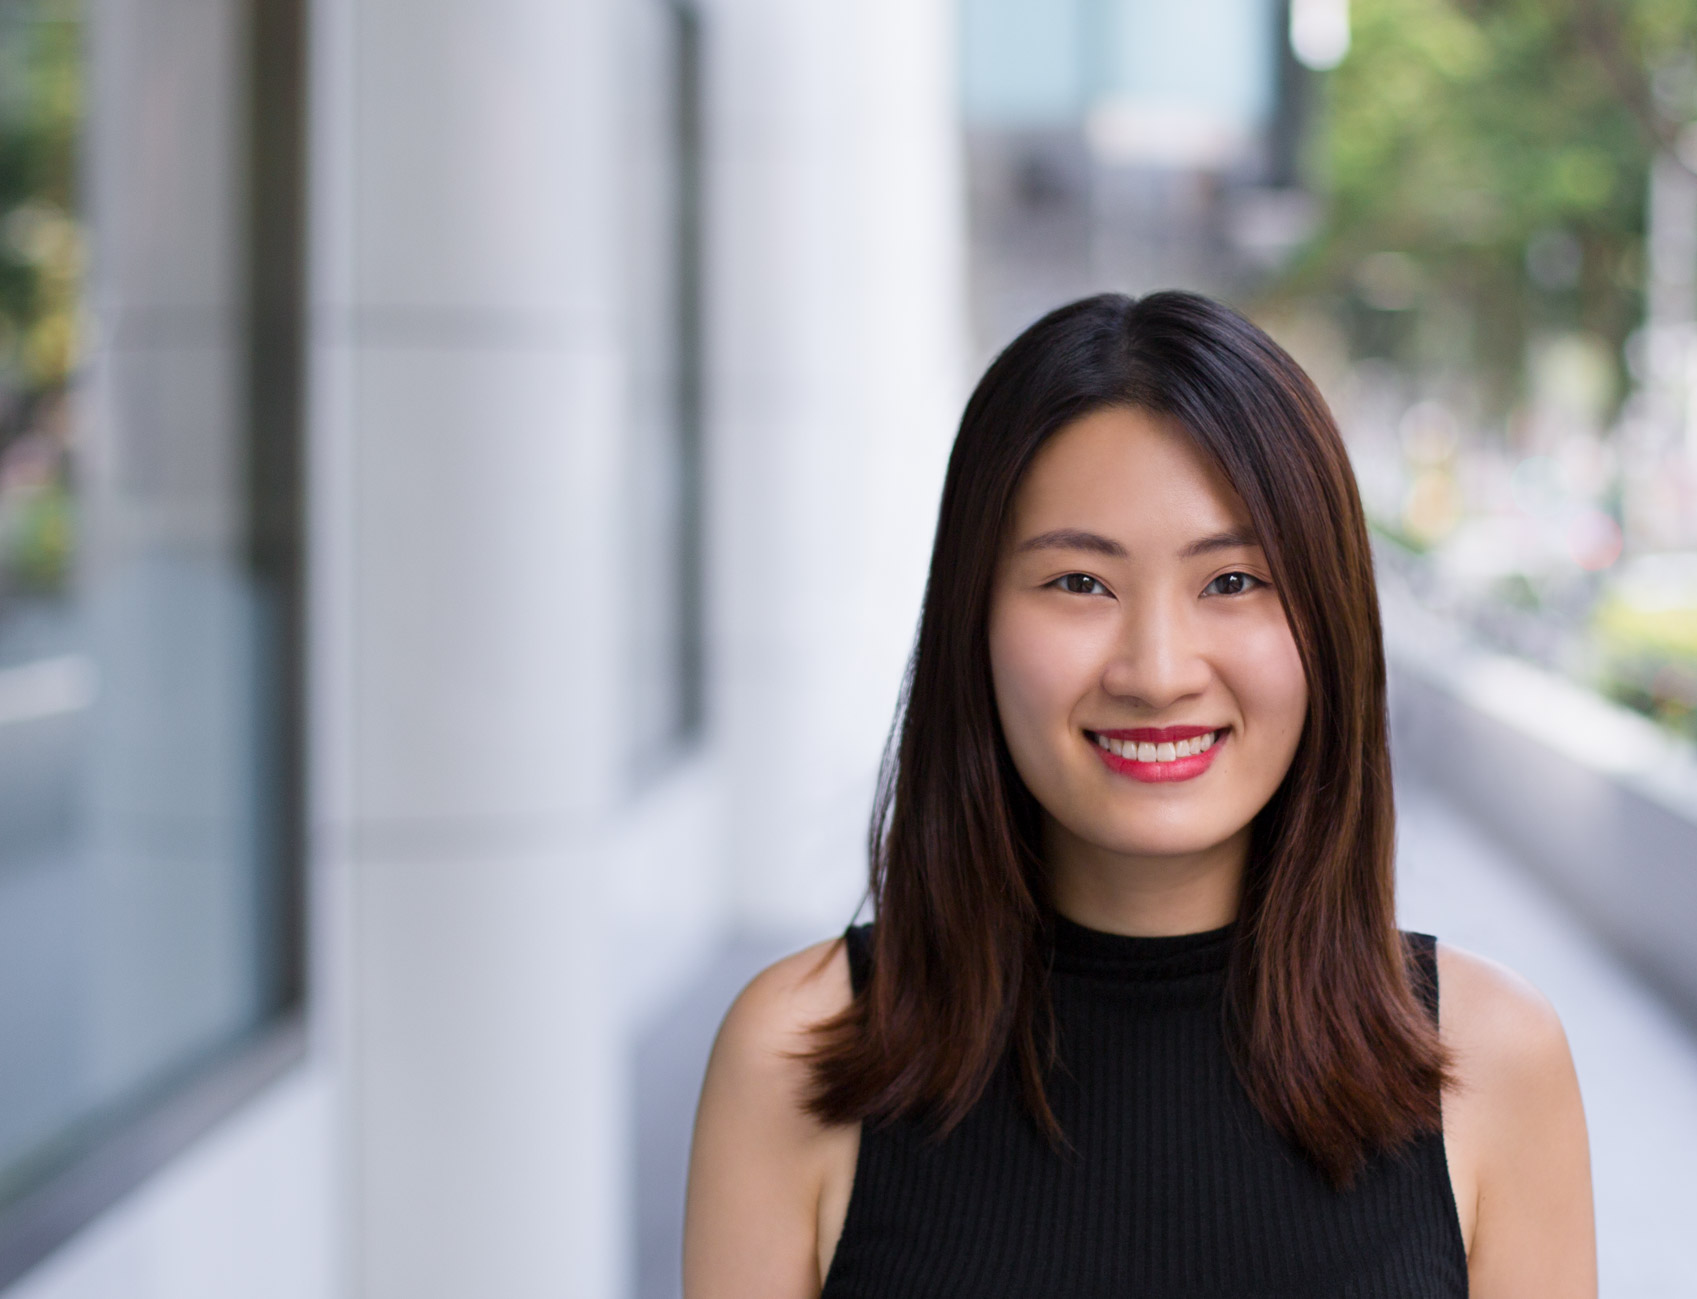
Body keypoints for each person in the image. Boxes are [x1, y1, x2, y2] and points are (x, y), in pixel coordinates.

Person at [683, 291, 1595, 1298]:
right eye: (1078, 583)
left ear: (1329, 624)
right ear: (970, 623)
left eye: (1233, 581)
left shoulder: (1491, 1064)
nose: (1156, 672)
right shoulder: (798, 1057)